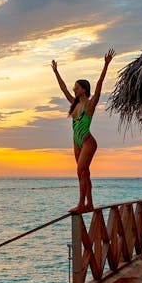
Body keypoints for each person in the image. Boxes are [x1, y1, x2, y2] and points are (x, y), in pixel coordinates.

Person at [52, 49, 115, 212]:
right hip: (76, 142)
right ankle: (90, 203)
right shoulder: (74, 103)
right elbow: (64, 89)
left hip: (88, 142)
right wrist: (56, 71)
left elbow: (100, 86)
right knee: (84, 173)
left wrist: (106, 65)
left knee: (80, 170)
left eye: (77, 87)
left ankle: (81, 204)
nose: (74, 89)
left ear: (84, 89)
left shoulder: (90, 104)